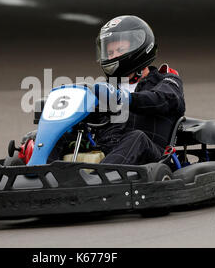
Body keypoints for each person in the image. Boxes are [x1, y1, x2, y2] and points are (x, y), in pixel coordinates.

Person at [49, 15, 185, 165]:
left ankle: (101, 179)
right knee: (58, 136)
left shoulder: (165, 80)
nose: (113, 56)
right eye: (110, 53)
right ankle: (39, 176)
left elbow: (165, 99)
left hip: (150, 158)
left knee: (135, 137)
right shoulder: (107, 88)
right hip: (108, 153)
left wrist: (125, 98)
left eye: (119, 50)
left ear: (139, 46)